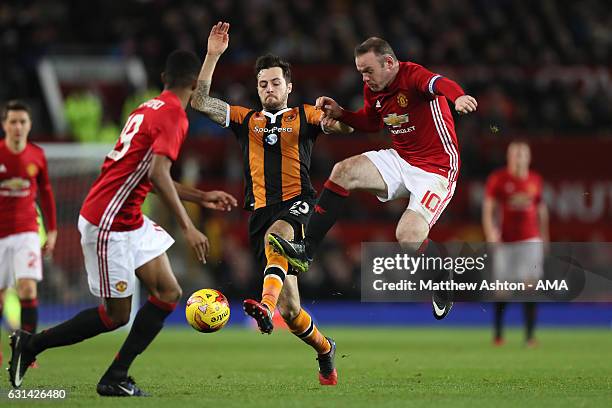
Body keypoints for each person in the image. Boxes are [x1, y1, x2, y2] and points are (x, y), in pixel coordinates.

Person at [7, 50, 238, 395]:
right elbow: (158, 174)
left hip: (128, 217)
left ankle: (116, 375)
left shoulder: (147, 108)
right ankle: (31, 345)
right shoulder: (175, 116)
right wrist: (187, 226)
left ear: (163, 78)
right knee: (114, 315)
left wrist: (201, 197)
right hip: (108, 222)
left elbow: (148, 174)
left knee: (169, 293)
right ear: (194, 84)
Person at [269, 37, 477, 320]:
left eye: (368, 70)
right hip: (401, 159)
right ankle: (306, 250)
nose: (364, 78)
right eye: (360, 72)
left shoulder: (412, 75)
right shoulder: (374, 89)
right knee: (343, 171)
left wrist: (459, 96)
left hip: (436, 169)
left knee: (408, 236)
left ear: (389, 62)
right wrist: (341, 113)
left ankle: (441, 277)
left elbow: (441, 83)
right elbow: (371, 122)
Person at [190, 22, 352, 386]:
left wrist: (340, 117)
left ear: (289, 86)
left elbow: (342, 128)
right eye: (263, 84)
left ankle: (263, 306)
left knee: (277, 238)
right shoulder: (246, 119)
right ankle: (325, 349)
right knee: (292, 310)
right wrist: (212, 55)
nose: (269, 89)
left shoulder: (305, 115)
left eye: (276, 82)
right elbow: (199, 102)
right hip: (260, 212)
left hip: (299, 203)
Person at [0, 100, 57, 367]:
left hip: (27, 232)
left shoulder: (37, 155)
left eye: (23, 121)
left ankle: (27, 349)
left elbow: (45, 193)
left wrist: (53, 230)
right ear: (4, 125)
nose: (18, 127)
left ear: (30, 125)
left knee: (27, 287)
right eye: (13, 122)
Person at [482, 141, 548, 347]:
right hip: (506, 242)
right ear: (509, 157)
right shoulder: (498, 179)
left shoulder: (536, 180)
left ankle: (529, 336)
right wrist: (490, 233)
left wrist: (545, 236)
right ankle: (498, 334)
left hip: (530, 240)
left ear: (529, 158)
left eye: (523, 154)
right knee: (503, 289)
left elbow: (540, 210)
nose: (519, 158)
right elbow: (488, 208)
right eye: (516, 154)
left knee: (531, 286)